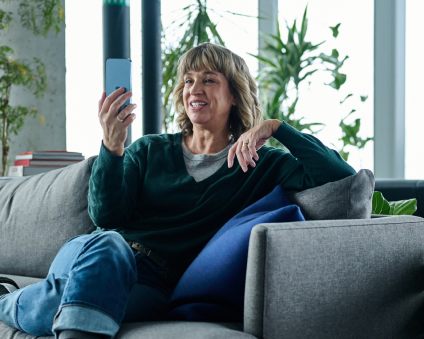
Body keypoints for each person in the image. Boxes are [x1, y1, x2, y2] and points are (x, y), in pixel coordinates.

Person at [0, 42, 356, 339]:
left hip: (155, 284)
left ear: (234, 95)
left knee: (72, 301)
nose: (194, 89)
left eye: (209, 79)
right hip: (98, 252)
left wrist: (277, 128)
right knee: (109, 246)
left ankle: (6, 301)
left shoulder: (261, 165)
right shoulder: (148, 149)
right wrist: (112, 145)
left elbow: (341, 177)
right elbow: (106, 218)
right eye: (188, 80)